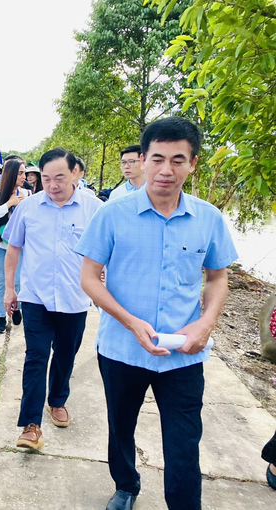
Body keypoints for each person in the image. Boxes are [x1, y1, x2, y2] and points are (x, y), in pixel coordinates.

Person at [75, 117, 238, 510]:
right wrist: (130, 322)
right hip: (122, 349)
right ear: (143, 160)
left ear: (193, 164)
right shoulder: (113, 215)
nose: (167, 170)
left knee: (185, 441)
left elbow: (218, 278)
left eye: (178, 160)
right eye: (158, 159)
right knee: (121, 427)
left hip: (185, 352)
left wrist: (206, 322)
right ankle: (126, 484)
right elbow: (89, 278)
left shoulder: (209, 219)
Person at [2, 147, 101, 450]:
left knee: (65, 355)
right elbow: (13, 248)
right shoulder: (28, 208)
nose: (53, 184)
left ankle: (57, 400)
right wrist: (9, 288)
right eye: (46, 179)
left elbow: (105, 252)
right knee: (36, 357)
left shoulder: (94, 209)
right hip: (36, 296)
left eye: (59, 177)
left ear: (75, 173)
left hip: (75, 297)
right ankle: (31, 426)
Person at [0, 159, 29, 334]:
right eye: (20, 173)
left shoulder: (26, 194)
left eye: (24, 173)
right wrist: (9, 203)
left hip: (17, 246)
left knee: (18, 281)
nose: (24, 176)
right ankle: (1, 317)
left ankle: (16, 306)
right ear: (10, 174)